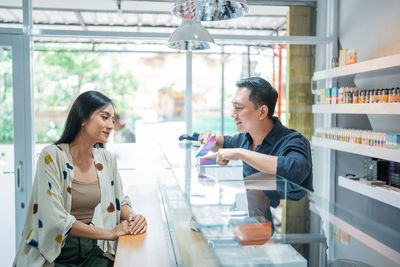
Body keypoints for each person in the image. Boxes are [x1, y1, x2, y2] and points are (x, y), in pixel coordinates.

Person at [14, 91, 147, 267]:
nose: (110, 125)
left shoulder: (106, 159)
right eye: (105, 117)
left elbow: (119, 201)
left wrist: (132, 217)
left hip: (93, 247)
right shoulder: (52, 156)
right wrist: (110, 233)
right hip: (56, 251)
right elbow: (55, 218)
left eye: (112, 120)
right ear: (83, 119)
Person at [199, 77, 313, 192]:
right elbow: (221, 143)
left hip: (286, 209)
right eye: (233, 107)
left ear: (262, 112)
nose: (233, 115)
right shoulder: (245, 138)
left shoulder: (295, 141)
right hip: (256, 208)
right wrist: (209, 139)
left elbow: (295, 170)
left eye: (238, 108)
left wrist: (240, 153)